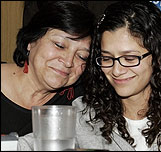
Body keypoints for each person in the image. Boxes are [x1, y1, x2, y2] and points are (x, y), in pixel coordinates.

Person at [17, 1, 161, 151]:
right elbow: (26, 145)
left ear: (158, 57)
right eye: (107, 58)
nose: (116, 70)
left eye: (129, 58)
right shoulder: (84, 115)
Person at [1, 1, 95, 137]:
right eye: (59, 45)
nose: (68, 62)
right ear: (31, 41)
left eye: (82, 56)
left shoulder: (80, 102)